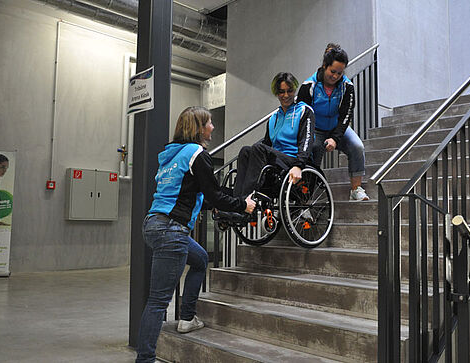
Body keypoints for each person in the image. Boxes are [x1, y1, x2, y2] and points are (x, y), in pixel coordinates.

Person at [135, 106, 256, 363]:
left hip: (154, 224)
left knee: (200, 259)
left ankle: (187, 318)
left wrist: (223, 204)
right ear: (199, 128)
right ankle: (145, 359)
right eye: (210, 123)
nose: (213, 127)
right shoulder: (197, 154)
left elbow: (193, 192)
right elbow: (213, 194)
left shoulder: (170, 154)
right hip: (172, 230)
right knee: (158, 300)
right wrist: (242, 205)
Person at [297, 43, 369, 201]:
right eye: (332, 71)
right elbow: (301, 115)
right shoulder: (309, 86)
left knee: (357, 146)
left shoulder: (347, 87)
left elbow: (346, 115)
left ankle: (356, 190)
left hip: (337, 128)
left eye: (340, 72)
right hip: (314, 129)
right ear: (324, 66)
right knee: (312, 150)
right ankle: (304, 200)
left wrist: (335, 138)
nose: (336, 76)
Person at [231, 72, 315, 202]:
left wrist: (299, 165)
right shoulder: (273, 118)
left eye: (290, 91)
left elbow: (307, 140)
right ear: (276, 93)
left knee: (258, 148)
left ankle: (247, 200)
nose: (286, 95)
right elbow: (267, 143)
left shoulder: (304, 111)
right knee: (246, 151)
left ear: (294, 90)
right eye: (281, 92)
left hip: (293, 160)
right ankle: (237, 201)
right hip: (277, 161)